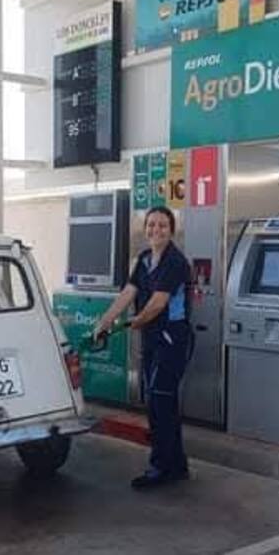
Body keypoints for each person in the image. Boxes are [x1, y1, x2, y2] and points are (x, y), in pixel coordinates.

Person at [93, 206, 193, 489]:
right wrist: (104, 321)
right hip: (152, 338)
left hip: (171, 340)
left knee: (161, 403)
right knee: (160, 402)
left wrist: (136, 321)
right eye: (151, 225)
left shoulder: (174, 261)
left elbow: (158, 302)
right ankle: (176, 465)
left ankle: (161, 467)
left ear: (171, 230)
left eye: (162, 225)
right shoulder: (145, 259)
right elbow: (129, 292)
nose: (155, 230)